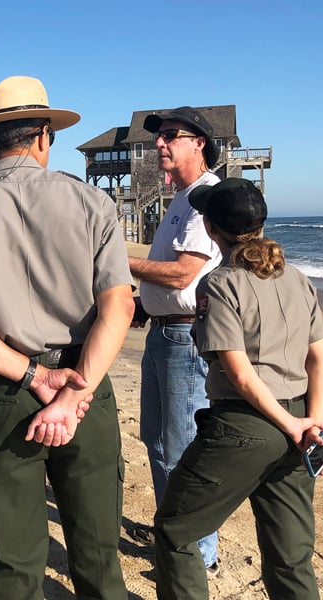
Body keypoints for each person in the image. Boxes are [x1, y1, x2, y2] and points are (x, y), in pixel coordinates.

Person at [0, 75, 135, 599]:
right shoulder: (92, 203)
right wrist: (75, 391)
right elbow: (120, 305)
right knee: (99, 559)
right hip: (84, 387)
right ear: (44, 134)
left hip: (4, 386)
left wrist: (34, 375)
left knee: (12, 566)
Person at [153, 178, 323, 600]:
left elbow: (241, 375)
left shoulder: (218, 284)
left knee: (176, 530)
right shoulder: (298, 280)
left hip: (246, 423)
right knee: (290, 552)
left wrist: (290, 424)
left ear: (212, 229)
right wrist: (312, 424)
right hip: (299, 419)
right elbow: (321, 358)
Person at [127, 106, 223, 573]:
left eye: (170, 136)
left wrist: (116, 261)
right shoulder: (182, 197)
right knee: (156, 439)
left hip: (185, 341)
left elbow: (184, 273)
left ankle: (196, 554)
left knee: (179, 445)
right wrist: (144, 302)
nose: (160, 144)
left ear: (198, 142)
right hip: (165, 335)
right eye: (159, 137)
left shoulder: (205, 197)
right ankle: (175, 532)